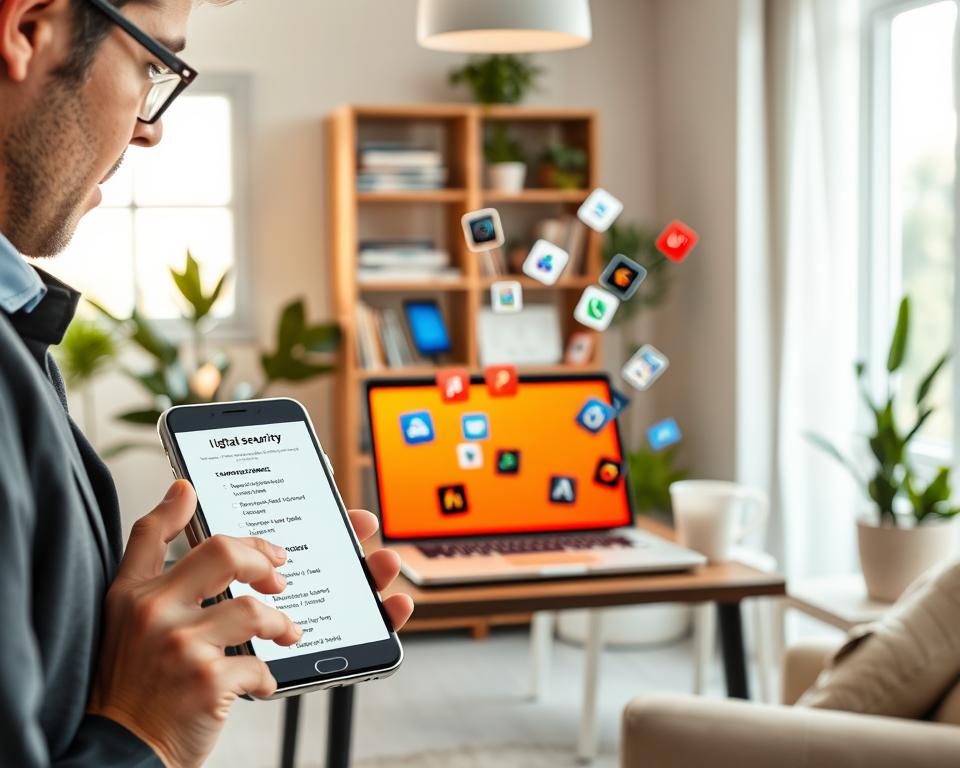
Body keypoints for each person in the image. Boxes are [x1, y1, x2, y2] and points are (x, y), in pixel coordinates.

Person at [0, 1, 414, 765]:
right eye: (155, 64)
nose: (152, 127)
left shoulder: (17, 320)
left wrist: (128, 651)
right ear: (28, 29)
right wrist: (140, 731)